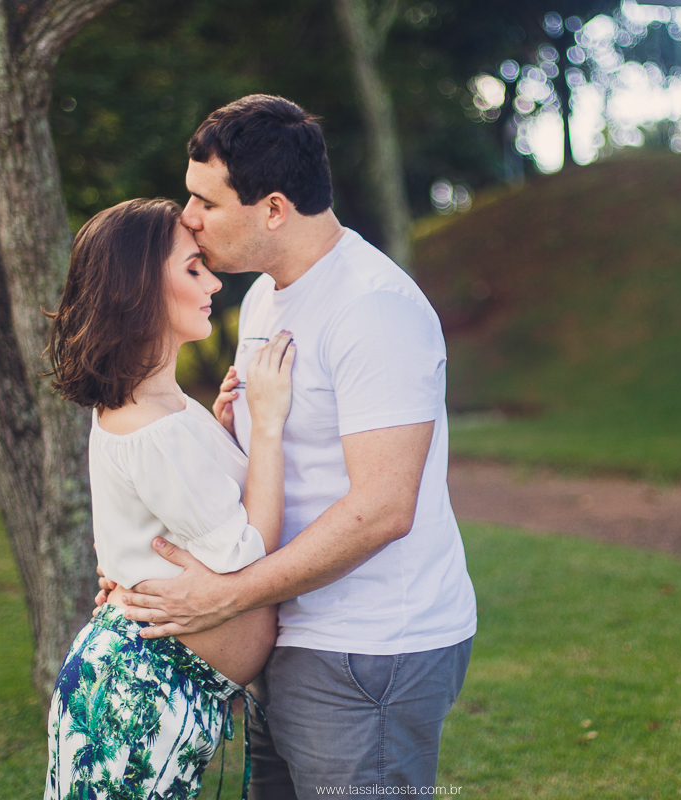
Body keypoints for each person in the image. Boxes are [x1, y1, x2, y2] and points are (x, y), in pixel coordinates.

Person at [109, 95, 478, 798]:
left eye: (204, 202)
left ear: (274, 209)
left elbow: (382, 508)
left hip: (368, 650)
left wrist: (225, 597)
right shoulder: (264, 299)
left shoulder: (375, 309)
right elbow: (260, 464)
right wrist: (144, 560)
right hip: (283, 625)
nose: (187, 217)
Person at [43, 197, 296, 800]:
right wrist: (266, 425)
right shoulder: (152, 426)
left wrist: (224, 433)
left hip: (152, 692)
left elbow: (195, 507)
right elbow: (251, 550)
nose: (212, 281)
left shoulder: (164, 406)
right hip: (134, 702)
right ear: (138, 291)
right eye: (191, 269)